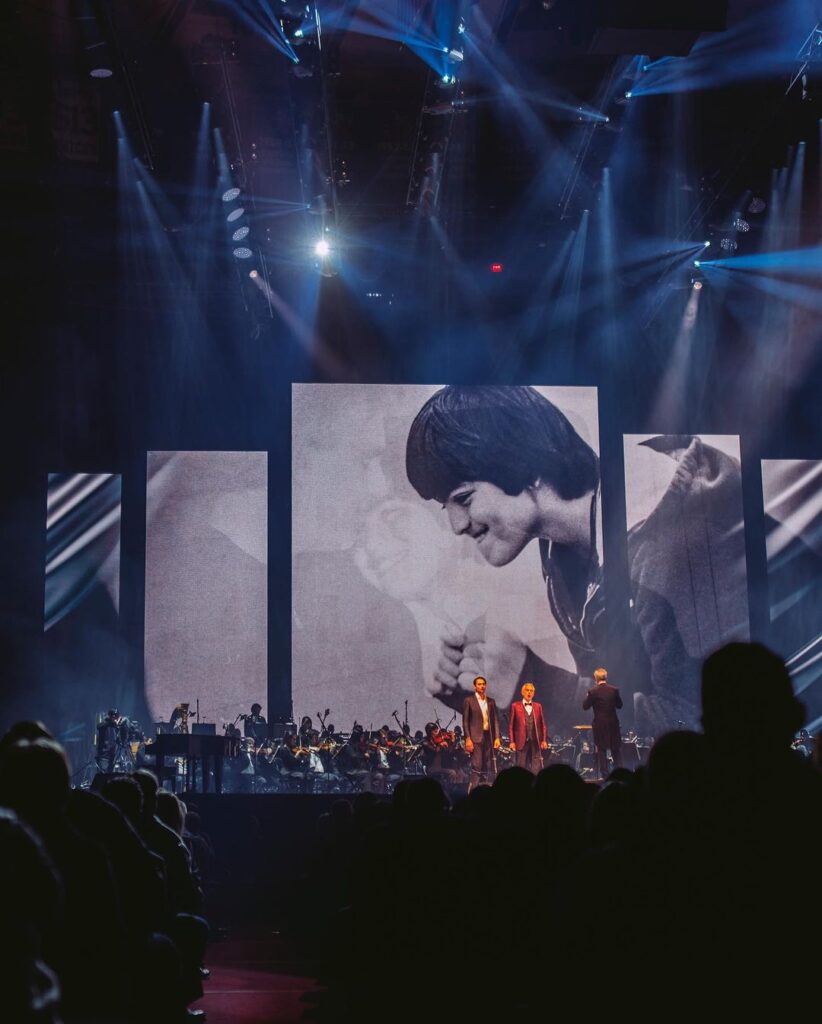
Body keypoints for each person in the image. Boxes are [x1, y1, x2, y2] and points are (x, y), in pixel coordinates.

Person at [462, 676, 501, 791]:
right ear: (475, 686)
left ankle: (484, 791)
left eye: (483, 684)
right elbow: (465, 721)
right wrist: (467, 738)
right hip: (475, 736)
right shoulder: (469, 700)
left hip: (488, 736)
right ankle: (473, 791)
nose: (482, 686)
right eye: (479, 684)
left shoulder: (491, 701)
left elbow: (495, 721)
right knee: (477, 765)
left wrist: (497, 738)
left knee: (487, 764)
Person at [583, 668, 623, 779]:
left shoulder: (593, 692)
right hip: (613, 724)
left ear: (595, 678)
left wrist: (588, 696)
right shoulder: (614, 690)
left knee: (601, 749)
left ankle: (604, 775)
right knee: (616, 749)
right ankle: (619, 774)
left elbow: (585, 707)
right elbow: (620, 705)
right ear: (606, 677)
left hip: (600, 725)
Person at [509, 682, 549, 773]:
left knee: (536, 766)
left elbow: (543, 725)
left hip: (536, 740)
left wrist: (544, 740)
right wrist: (512, 742)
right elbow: (511, 725)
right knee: (520, 766)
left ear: (534, 693)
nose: (529, 693)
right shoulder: (515, 706)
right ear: (522, 692)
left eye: (531, 691)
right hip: (521, 740)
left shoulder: (538, 706)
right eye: (527, 690)